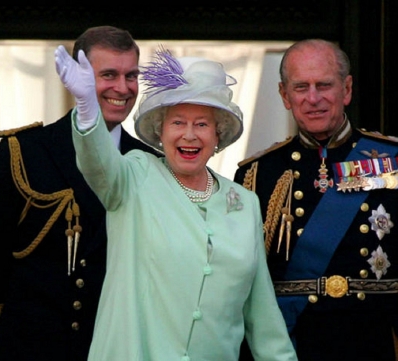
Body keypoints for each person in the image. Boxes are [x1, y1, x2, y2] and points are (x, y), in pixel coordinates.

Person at [55, 44, 298, 361]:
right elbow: (98, 166)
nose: (189, 135)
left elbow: (262, 314)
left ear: (217, 135)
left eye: (202, 124)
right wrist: (88, 108)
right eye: (177, 122)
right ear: (160, 131)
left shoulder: (244, 203)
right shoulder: (136, 176)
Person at [0, 25, 159, 361]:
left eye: (131, 76)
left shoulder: (152, 164)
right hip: (34, 347)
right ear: (76, 77)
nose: (122, 88)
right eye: (108, 74)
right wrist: (20, 319)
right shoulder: (25, 151)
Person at [234, 38, 398, 361]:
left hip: (372, 340)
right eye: (300, 87)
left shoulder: (390, 161)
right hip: (293, 344)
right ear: (284, 95)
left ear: (346, 89)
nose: (313, 98)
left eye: (324, 85)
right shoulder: (259, 174)